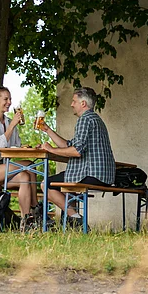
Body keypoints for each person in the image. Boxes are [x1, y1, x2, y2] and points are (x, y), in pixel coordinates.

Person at [36, 86, 115, 225]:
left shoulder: (85, 119)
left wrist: (50, 150)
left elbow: (76, 151)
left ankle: (76, 218)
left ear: (83, 103)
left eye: (74, 101)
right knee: (65, 185)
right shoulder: (95, 119)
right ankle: (70, 222)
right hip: (105, 175)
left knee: (46, 184)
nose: (72, 104)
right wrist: (47, 130)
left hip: (92, 174)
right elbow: (68, 145)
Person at [0, 86, 39, 230]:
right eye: (5, 99)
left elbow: (15, 146)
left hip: (5, 167)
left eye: (10, 99)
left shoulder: (9, 121)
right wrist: (11, 126)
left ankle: (26, 220)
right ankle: (36, 209)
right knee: (28, 165)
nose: (9, 102)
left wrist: (28, 147)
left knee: (26, 175)